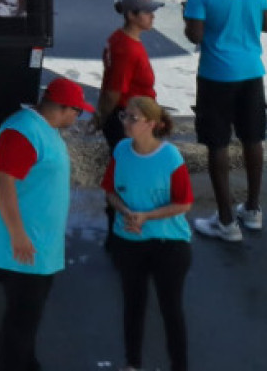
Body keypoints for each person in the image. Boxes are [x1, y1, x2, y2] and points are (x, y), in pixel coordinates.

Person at [0, 75, 88, 371]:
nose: (78, 118)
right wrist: (18, 235)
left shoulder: (42, 129)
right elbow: (3, 181)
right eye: (77, 111)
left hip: (37, 247)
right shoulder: (23, 131)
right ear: (63, 108)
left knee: (27, 320)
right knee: (21, 322)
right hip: (21, 248)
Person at [183, 0, 267, 242]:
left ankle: (225, 220)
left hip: (216, 75)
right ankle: (253, 208)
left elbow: (195, 35)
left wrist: (186, 15)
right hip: (252, 71)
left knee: (218, 144)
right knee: (253, 139)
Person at [104, 97, 193, 371]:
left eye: (133, 118)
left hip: (169, 244)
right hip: (129, 240)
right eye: (124, 116)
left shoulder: (169, 157)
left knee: (171, 309)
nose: (126, 123)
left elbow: (184, 203)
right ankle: (132, 363)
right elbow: (109, 191)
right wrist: (125, 211)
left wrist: (146, 216)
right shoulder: (120, 150)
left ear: (152, 124)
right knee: (133, 305)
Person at [96, 0, 161, 148]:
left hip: (128, 116)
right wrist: (100, 117)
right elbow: (113, 91)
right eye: (147, 12)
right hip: (131, 119)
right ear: (131, 15)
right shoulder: (128, 49)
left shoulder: (118, 38)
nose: (153, 16)